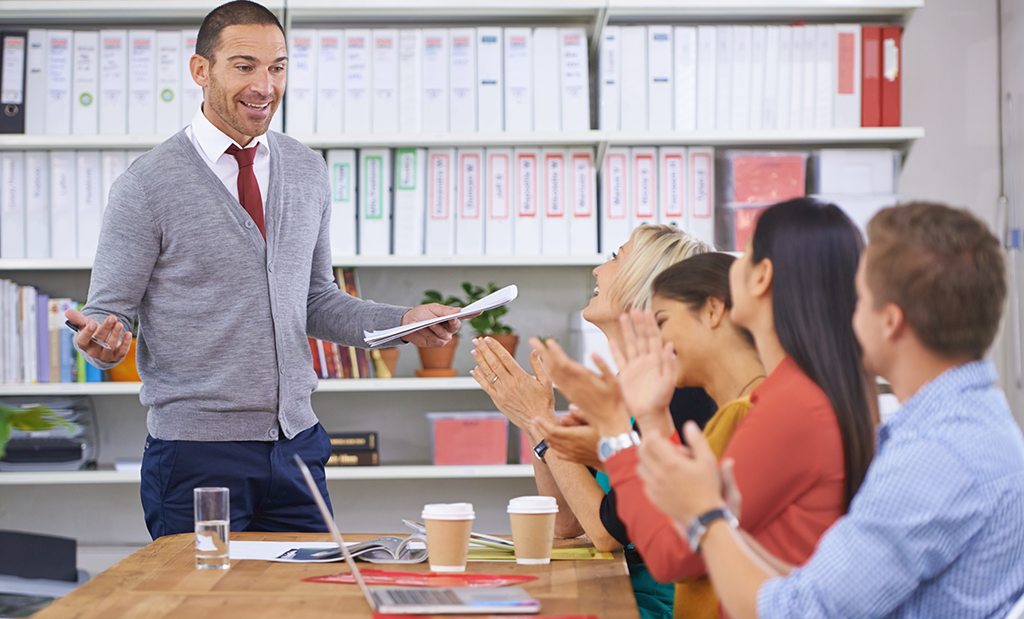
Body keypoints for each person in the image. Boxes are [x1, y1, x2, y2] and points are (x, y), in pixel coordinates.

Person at [64, 0, 459, 539]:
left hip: (298, 446)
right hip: (196, 455)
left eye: (278, 67)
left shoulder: (307, 169)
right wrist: (104, 343)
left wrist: (405, 320)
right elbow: (108, 314)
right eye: (245, 66)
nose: (265, 85)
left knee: (304, 602)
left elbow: (315, 299)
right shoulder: (147, 184)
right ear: (201, 71)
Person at [638, 201, 1024, 619]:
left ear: (889, 321)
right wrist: (722, 523)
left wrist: (705, 517)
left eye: (858, 297)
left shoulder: (935, 456)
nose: (845, 312)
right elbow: (822, 589)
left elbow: (800, 611)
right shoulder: (964, 425)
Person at [534, 198, 877, 617]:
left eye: (745, 256)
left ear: (762, 276)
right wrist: (639, 427)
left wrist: (617, 442)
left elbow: (671, 554)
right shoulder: (794, 396)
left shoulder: (789, 407)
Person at [470, 224, 716, 619]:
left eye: (616, 257)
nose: (598, 270)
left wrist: (539, 420)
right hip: (611, 592)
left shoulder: (680, 392)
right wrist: (538, 423)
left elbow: (606, 532)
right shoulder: (624, 385)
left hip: (649, 608)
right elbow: (568, 521)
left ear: (646, 285)